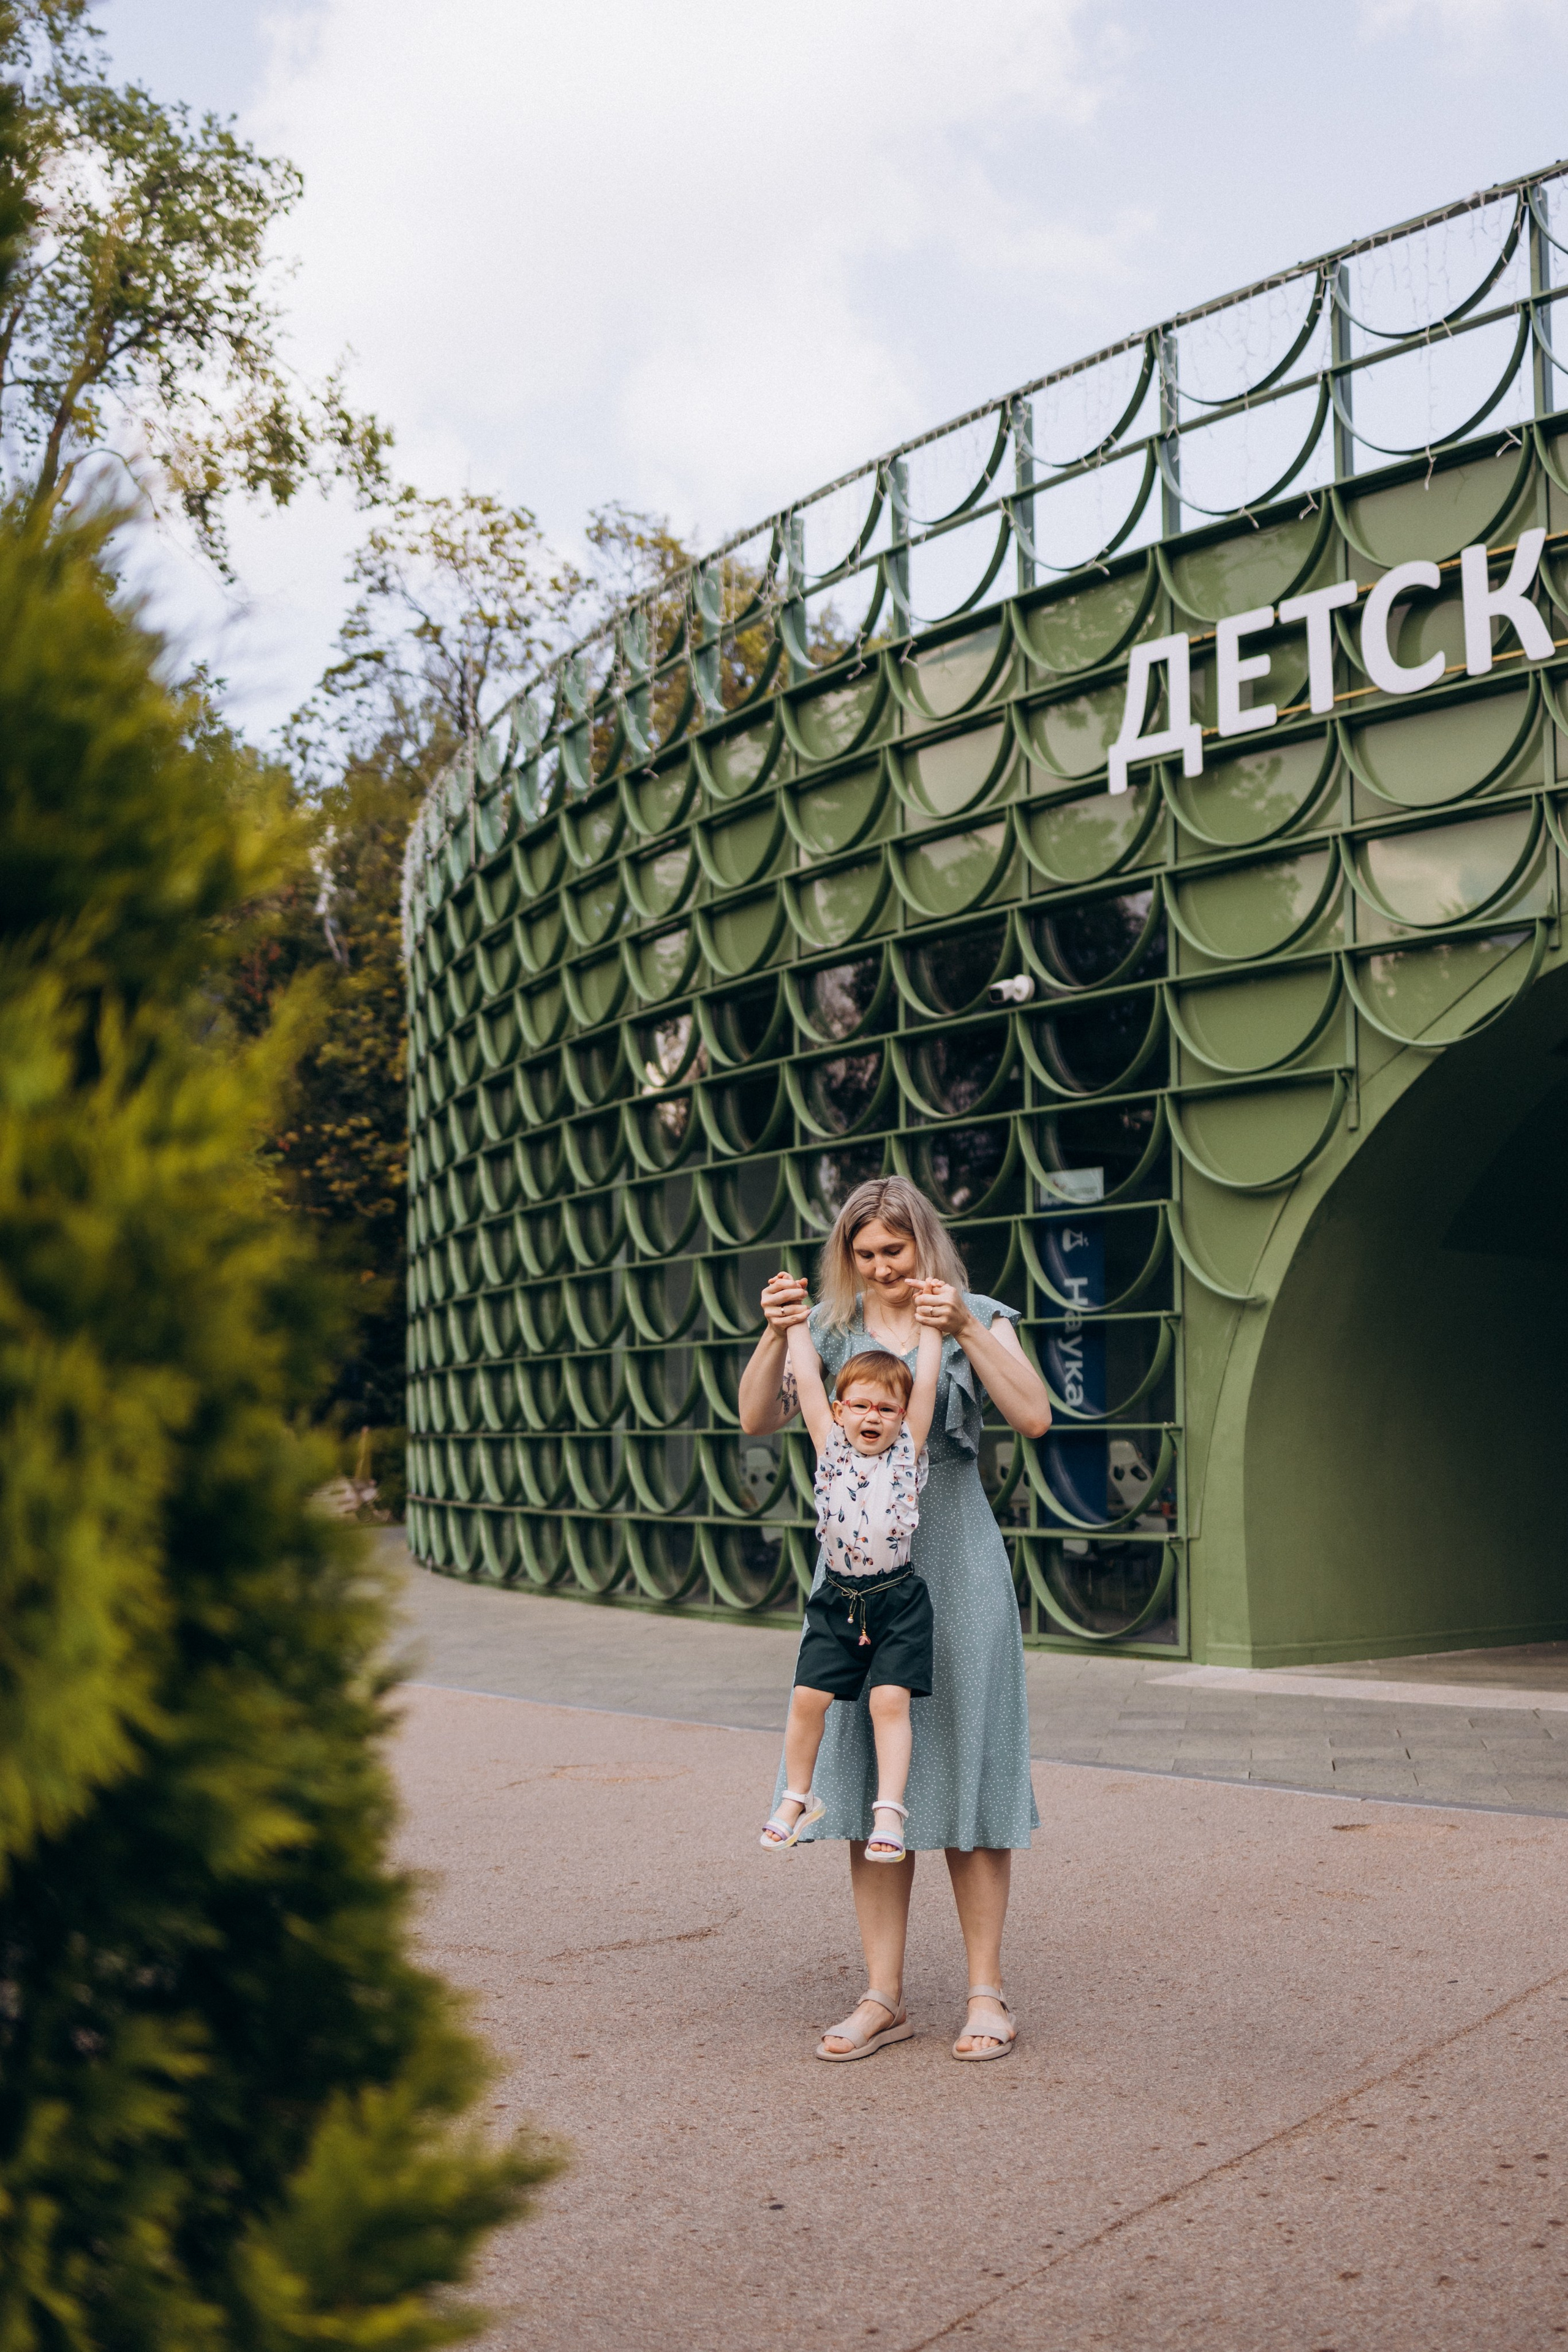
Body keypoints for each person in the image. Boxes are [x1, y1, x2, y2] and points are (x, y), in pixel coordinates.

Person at [738, 1175, 1051, 2064]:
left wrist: (960, 1332)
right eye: (863, 1254)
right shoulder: (831, 1332)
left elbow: (1033, 1415)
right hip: (858, 1574)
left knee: (971, 1766)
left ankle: (986, 1994)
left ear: (925, 1246)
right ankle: (884, 1995)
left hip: (957, 1558)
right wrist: (775, 1331)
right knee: (872, 1767)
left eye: (894, 1252)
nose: (878, 1269)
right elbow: (757, 1415)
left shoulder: (979, 1314)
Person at [760, 1321, 943, 1928]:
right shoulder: (830, 1445)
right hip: (837, 1598)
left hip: (898, 1600)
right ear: (840, 1411)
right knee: (808, 1698)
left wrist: (937, 1332)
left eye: (885, 1407)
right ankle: (797, 1797)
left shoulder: (907, 1452)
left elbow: (928, 1387)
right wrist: (789, 1328)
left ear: (900, 1416)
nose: (873, 1415)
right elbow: (807, 1382)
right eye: (859, 1405)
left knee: (889, 1701)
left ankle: (889, 1811)